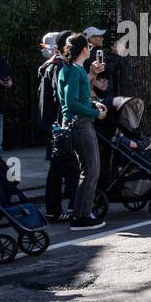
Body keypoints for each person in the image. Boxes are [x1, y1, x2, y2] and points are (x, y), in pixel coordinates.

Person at [56, 33, 108, 231]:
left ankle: (82, 213)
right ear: (85, 49)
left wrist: (95, 104)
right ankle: (81, 216)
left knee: (89, 170)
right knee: (91, 170)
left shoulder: (73, 69)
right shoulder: (73, 70)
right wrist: (95, 112)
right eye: (88, 45)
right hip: (80, 124)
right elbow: (70, 103)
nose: (91, 48)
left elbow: (77, 98)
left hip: (79, 123)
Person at [37, 32, 78, 220]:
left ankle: (53, 209)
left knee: (56, 168)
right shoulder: (59, 67)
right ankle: (72, 207)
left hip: (50, 122)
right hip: (60, 123)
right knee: (71, 167)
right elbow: (61, 97)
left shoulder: (48, 66)